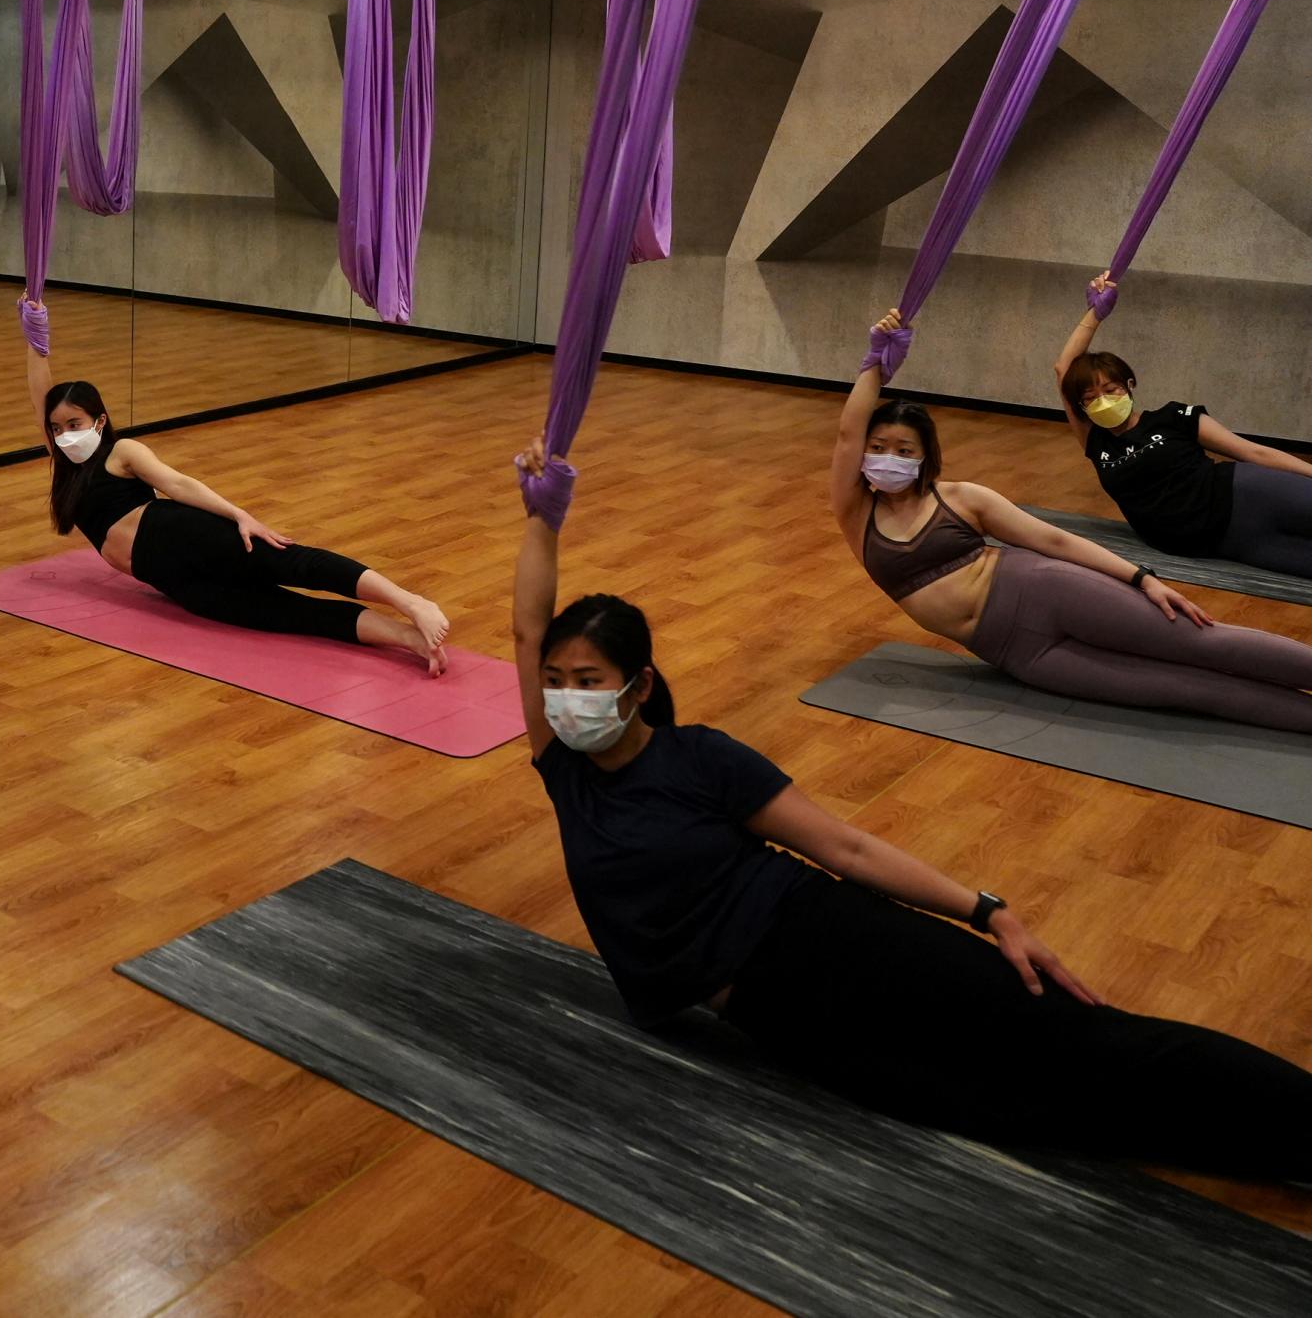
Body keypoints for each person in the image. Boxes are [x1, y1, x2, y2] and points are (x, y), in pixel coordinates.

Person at [511, 438, 1312, 1179]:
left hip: (835, 939)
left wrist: (987, 910)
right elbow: (524, 631)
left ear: (638, 685)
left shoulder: (700, 757)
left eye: (589, 680)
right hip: (780, 1017)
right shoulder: (565, 772)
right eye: (558, 681)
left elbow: (845, 850)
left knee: (1087, 1043)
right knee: (1019, 1110)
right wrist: (542, 522)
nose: (568, 697)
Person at [836, 309, 1312, 733]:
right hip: (1013, 651)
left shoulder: (961, 498)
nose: (888, 459)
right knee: (1188, 691)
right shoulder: (857, 516)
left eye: (903, 450)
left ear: (924, 457)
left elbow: (1055, 540)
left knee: (1201, 644)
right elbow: (845, 434)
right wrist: (874, 367)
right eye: (877, 449)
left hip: (1042, 590)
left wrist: (1142, 579)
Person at [23, 300, 449, 670]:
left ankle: (410, 601)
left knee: (293, 563)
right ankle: (408, 639)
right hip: (176, 584)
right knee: (292, 614)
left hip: (185, 535)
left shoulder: (121, 451)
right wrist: (33, 332)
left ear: (98, 421)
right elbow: (40, 394)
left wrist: (239, 516)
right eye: (57, 428)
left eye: (74, 424)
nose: (64, 435)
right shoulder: (62, 464)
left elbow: (178, 484)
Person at [1054, 271, 1312, 576]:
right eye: (1091, 397)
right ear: (1082, 406)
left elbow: (1251, 452)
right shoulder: (1096, 443)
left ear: (1130, 385)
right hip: (1227, 541)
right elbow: (1063, 369)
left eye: (1110, 391)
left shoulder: (1173, 417)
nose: (1103, 401)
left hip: (1246, 493)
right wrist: (1094, 313)